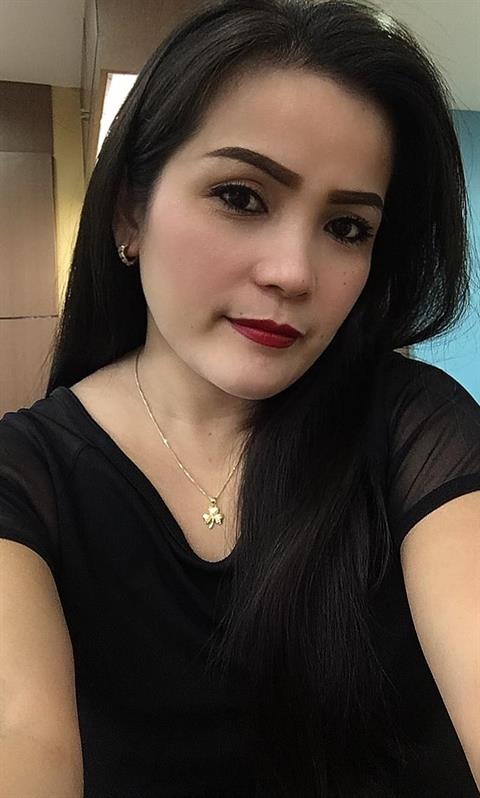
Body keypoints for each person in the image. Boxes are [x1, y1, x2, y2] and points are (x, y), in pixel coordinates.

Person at [1, 0, 479, 795]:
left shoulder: (414, 425)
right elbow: (20, 732)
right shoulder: (26, 475)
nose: (294, 272)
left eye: (347, 228)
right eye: (241, 196)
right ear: (129, 211)